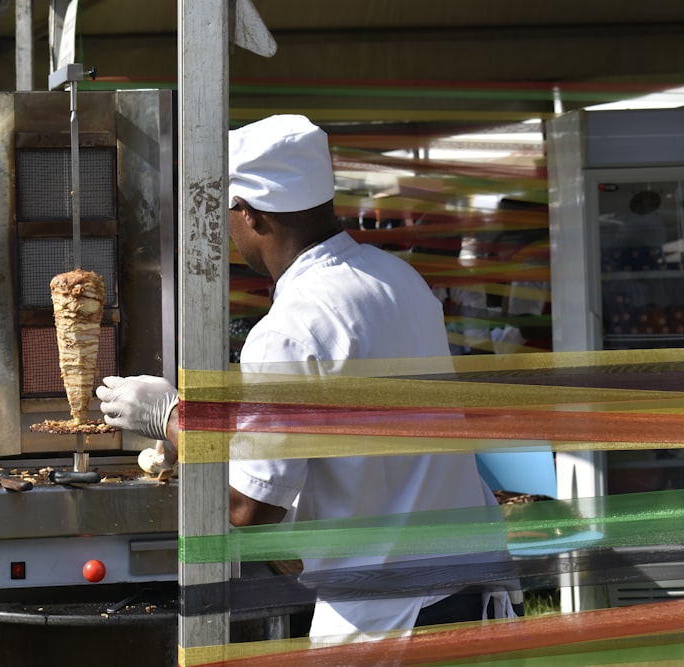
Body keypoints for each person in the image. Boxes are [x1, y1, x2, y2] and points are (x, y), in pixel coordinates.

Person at [96, 115, 518, 641]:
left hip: (397, 614)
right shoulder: (397, 280)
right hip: (470, 586)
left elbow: (247, 506)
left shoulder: (291, 329)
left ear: (250, 214)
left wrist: (173, 415)